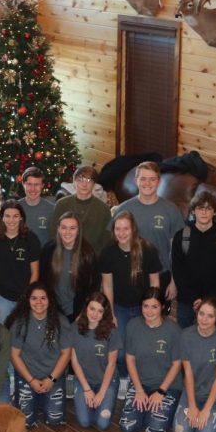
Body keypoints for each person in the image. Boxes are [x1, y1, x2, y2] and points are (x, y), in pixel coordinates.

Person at [99, 211, 161, 384]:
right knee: (119, 351)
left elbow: (155, 282)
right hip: (119, 307)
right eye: (117, 229)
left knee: (141, 347)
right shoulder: (108, 253)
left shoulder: (147, 250)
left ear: (133, 229)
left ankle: (141, 380)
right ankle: (123, 378)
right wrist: (110, 313)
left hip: (143, 308)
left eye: (126, 228)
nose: (122, 233)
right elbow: (107, 285)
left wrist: (154, 309)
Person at [115, 161, 185, 301]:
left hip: (161, 274)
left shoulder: (171, 210)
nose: (147, 183)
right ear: (136, 181)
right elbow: (113, 246)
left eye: (152, 179)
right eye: (143, 179)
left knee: (157, 319)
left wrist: (174, 281)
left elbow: (178, 250)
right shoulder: (123, 209)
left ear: (159, 181)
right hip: (129, 274)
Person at [119, 288, 183, 432]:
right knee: (127, 426)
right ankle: (148, 410)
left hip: (167, 387)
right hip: (141, 384)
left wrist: (161, 392)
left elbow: (176, 364)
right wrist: (139, 390)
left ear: (162, 307)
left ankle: (167, 409)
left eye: (154, 306)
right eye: (145, 306)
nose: (149, 311)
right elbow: (130, 359)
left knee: (154, 431)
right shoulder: (133, 325)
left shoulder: (174, 330)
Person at [6, 282, 72, 428]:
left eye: (43, 298)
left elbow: (66, 353)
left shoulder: (61, 321)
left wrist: (51, 379)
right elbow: (14, 355)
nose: (39, 302)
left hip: (53, 375)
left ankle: (41, 398)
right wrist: (31, 381)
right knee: (26, 422)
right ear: (27, 300)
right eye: (34, 298)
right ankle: (36, 397)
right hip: (28, 375)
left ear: (50, 300)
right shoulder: (19, 322)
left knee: (55, 420)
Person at [172, 297, 216, 432]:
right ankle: (198, 415)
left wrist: (206, 409)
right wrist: (192, 406)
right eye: (202, 314)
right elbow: (188, 373)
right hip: (193, 391)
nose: (204, 319)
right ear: (197, 313)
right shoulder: (186, 335)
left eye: (210, 316)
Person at [171, 191, 216, 329]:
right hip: (186, 301)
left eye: (208, 208)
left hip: (213, 301)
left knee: (210, 339)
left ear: (215, 212)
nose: (204, 212)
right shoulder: (181, 236)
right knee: (184, 337)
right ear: (193, 211)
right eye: (200, 208)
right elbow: (177, 270)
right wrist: (194, 299)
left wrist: (208, 300)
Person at [70, 292, 121, 430]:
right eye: (92, 309)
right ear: (86, 308)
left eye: (100, 311)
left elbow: (111, 364)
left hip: (106, 380)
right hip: (84, 380)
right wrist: (87, 389)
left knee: (102, 424)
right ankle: (90, 401)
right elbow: (74, 361)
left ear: (105, 313)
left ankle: (108, 397)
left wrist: (101, 393)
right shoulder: (74, 328)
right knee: (85, 422)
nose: (94, 314)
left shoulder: (112, 331)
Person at [0, 201, 41, 322]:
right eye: (7, 216)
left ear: (21, 217)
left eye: (15, 216)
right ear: (2, 218)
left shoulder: (31, 239)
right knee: (2, 333)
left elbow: (35, 272)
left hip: (24, 297)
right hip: (1, 298)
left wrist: (27, 297)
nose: (11, 220)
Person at [40, 211, 99, 321]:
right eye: (64, 227)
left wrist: (83, 312)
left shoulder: (87, 254)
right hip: (52, 309)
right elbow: (42, 281)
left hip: (77, 312)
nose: (67, 232)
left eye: (72, 228)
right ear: (58, 229)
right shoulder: (48, 250)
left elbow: (93, 287)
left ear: (78, 231)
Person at [50, 165, 112, 252]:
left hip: (93, 257)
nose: (84, 184)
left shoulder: (103, 209)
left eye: (89, 180)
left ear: (94, 184)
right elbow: (54, 233)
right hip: (65, 254)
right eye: (80, 180)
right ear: (74, 183)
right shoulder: (61, 204)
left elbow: (106, 238)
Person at [18, 167, 55, 246]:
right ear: (23, 184)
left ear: (42, 185)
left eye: (36, 184)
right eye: (29, 184)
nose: (33, 189)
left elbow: (54, 239)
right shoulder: (16, 208)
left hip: (43, 256)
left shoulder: (52, 209)